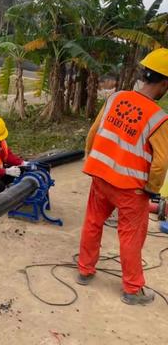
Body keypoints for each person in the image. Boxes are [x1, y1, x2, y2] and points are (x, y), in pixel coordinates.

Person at [78, 48, 168, 305]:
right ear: (163, 83)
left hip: (100, 177)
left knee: (93, 222)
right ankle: (132, 290)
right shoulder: (160, 119)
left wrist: (91, 162)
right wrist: (151, 189)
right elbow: (161, 163)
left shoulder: (115, 98)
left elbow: (93, 134)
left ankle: (85, 270)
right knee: (130, 235)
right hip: (131, 188)